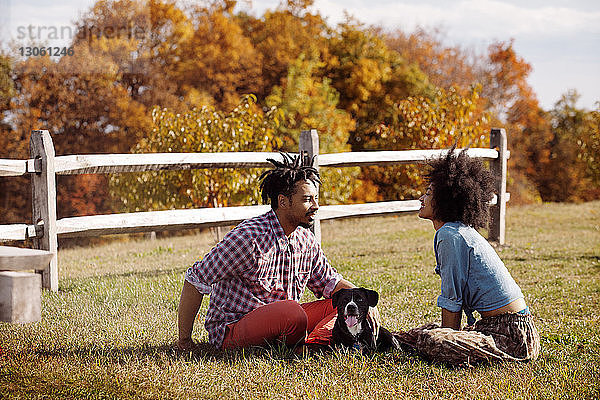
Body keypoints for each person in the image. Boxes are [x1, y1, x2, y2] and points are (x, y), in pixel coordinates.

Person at [177, 153, 377, 351]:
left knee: (342, 304)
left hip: (287, 322)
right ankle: (309, 345)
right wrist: (185, 341)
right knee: (291, 312)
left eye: (316, 199)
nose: (316, 206)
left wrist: (365, 303)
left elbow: (331, 283)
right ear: (283, 202)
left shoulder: (305, 239)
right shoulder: (248, 237)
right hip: (235, 328)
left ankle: (317, 345)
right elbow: (196, 278)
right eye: (307, 199)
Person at [395, 147, 540, 365]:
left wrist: (446, 339)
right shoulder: (456, 231)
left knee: (430, 339)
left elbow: (452, 300)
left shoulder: (450, 235)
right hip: (498, 327)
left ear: (444, 199)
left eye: (428, 193)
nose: (421, 198)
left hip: (513, 336)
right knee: (417, 334)